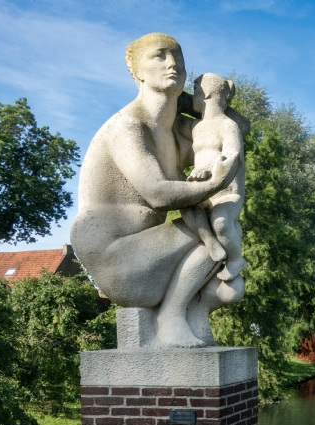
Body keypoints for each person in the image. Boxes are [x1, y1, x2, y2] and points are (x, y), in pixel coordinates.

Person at [71, 33, 244, 348]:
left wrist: (214, 107)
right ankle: (172, 316)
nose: (173, 64)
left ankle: (194, 310)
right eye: (160, 56)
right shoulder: (126, 127)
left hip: (148, 253)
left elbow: (235, 129)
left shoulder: (174, 133)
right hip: (120, 261)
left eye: (178, 57)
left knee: (223, 222)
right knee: (217, 227)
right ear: (137, 71)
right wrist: (216, 181)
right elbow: (158, 194)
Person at [181, 72, 248, 282]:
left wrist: (209, 170)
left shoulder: (228, 125)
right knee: (184, 204)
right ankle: (211, 243)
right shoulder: (196, 127)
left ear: (207, 93)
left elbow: (231, 155)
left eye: (195, 91)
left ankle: (236, 259)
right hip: (204, 190)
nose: (193, 97)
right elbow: (171, 121)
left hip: (227, 193)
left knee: (220, 222)